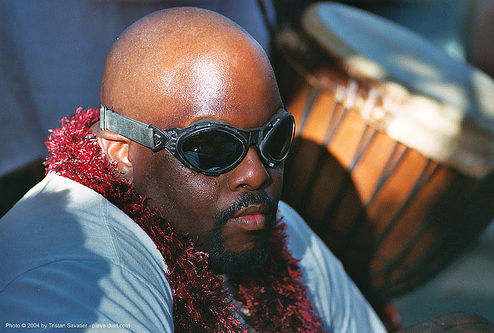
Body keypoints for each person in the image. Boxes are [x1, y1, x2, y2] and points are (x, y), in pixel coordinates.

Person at [0, 8, 387, 332]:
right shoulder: (76, 275)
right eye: (213, 147)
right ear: (120, 152)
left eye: (274, 139)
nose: (256, 173)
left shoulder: (283, 232)